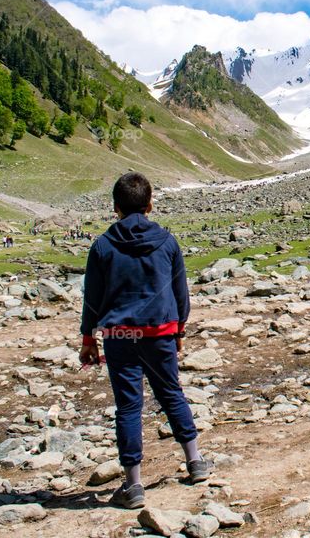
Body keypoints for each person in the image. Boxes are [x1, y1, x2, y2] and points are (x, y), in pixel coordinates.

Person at [79, 172, 209, 509]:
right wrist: (179, 330)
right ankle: (194, 463)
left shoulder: (103, 245)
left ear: (115, 207)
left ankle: (134, 485)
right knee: (171, 394)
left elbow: (92, 297)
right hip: (160, 332)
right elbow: (180, 291)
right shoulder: (167, 242)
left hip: (120, 335)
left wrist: (88, 338)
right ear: (150, 204)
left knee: (128, 407)